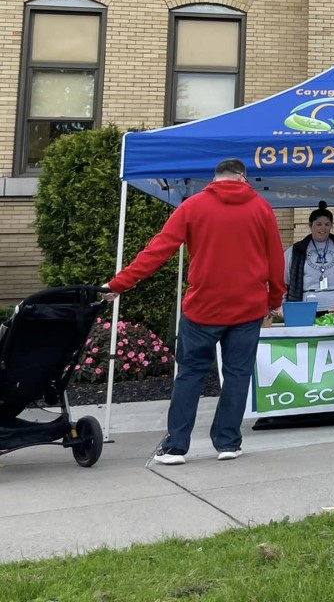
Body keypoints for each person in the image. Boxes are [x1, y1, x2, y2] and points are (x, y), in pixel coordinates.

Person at [104, 158, 284, 465]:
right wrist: (274, 297)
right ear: (243, 177)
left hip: (203, 308)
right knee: (237, 375)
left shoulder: (192, 206)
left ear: (214, 178)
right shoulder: (261, 208)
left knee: (189, 375)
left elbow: (158, 249)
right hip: (248, 307)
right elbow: (275, 259)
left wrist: (119, 284)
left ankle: (176, 447)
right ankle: (228, 443)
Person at [283, 201, 334, 313]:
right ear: (310, 225)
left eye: (327, 224)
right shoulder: (296, 250)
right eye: (318, 224)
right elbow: (284, 282)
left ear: (331, 226)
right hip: (306, 308)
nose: (323, 228)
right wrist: (282, 305)